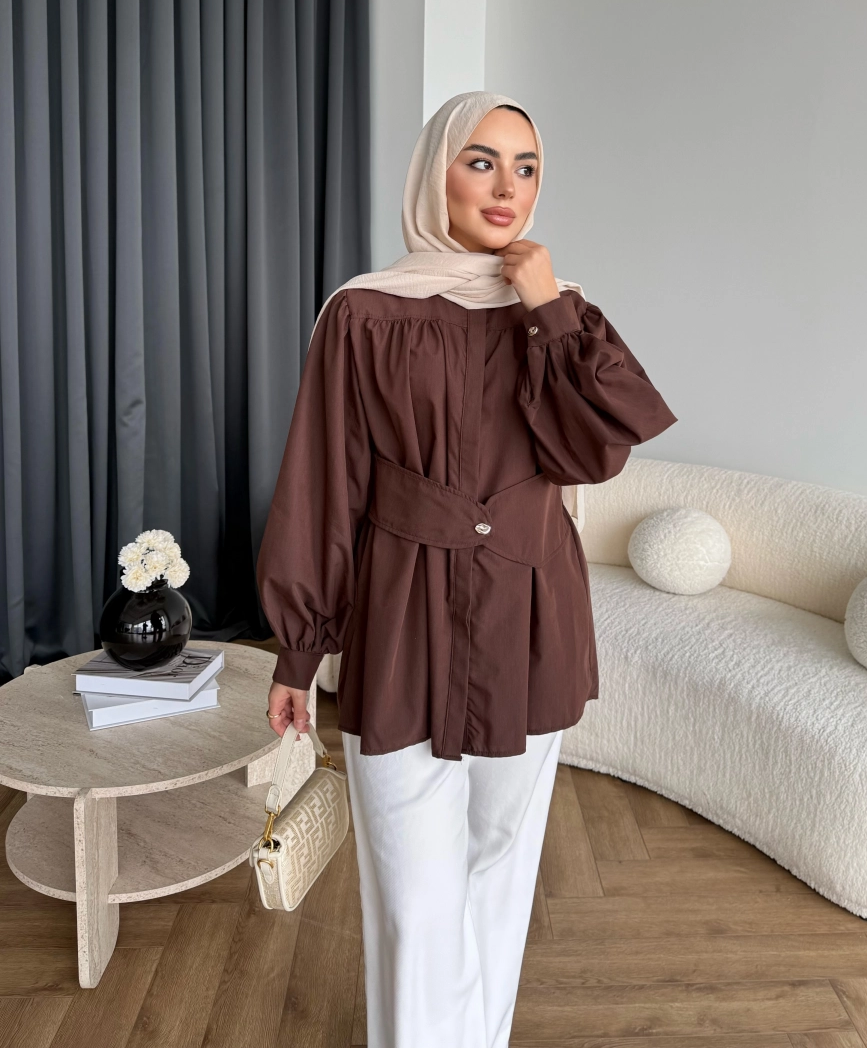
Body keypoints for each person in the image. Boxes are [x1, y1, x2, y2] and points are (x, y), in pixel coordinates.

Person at [257, 91, 677, 1048]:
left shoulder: (562, 316)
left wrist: (548, 307)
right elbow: (324, 484)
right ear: (434, 174)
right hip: (402, 618)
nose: (506, 186)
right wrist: (298, 649)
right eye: (481, 161)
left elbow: (609, 440)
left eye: (526, 167)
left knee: (498, 871)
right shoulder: (364, 313)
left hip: (530, 616)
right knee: (416, 899)